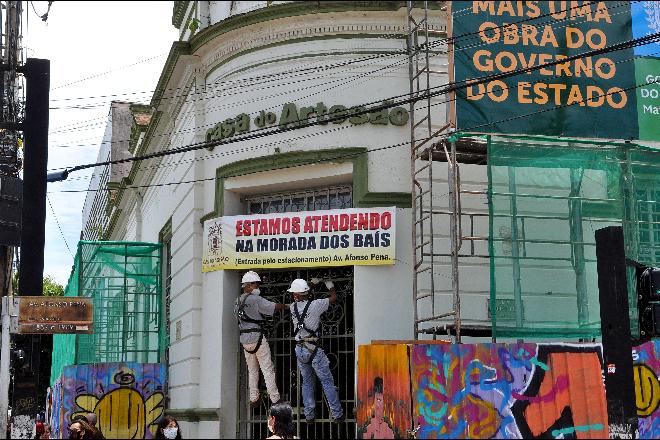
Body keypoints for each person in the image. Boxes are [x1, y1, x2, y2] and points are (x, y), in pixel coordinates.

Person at [289, 278, 344, 424]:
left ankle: (309, 415)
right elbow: (333, 298)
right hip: (313, 348)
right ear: (307, 292)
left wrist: (311, 285)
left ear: (295, 295)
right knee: (326, 381)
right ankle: (337, 414)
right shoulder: (316, 305)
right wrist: (330, 286)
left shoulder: (292, 307)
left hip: (300, 349)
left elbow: (304, 296)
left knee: (306, 382)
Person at [235, 271, 287, 407]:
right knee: (267, 368)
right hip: (257, 337)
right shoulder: (256, 300)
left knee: (252, 370)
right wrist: (286, 306)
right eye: (255, 284)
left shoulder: (237, 301)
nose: (257, 287)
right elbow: (273, 307)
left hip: (245, 340)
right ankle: (275, 399)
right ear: (248, 285)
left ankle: (254, 398)